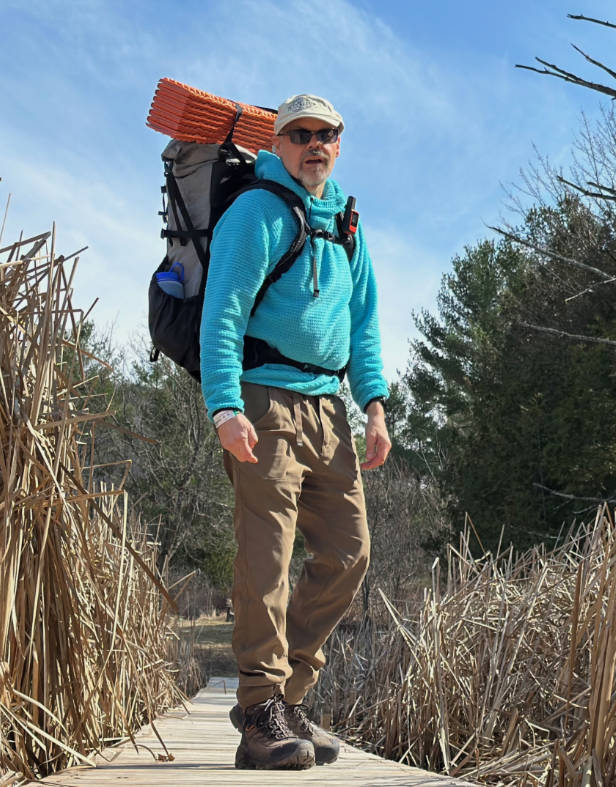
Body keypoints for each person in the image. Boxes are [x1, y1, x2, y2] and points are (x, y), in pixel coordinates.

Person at [199, 93, 391, 771]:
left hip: (330, 407)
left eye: (327, 134)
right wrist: (225, 406)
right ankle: (261, 711)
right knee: (267, 555)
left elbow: (363, 321)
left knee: (350, 552)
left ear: (339, 142)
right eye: (300, 134)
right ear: (278, 144)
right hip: (264, 398)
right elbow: (222, 312)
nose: (315, 144)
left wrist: (373, 403)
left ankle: (288, 695)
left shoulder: (347, 220)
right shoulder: (255, 211)